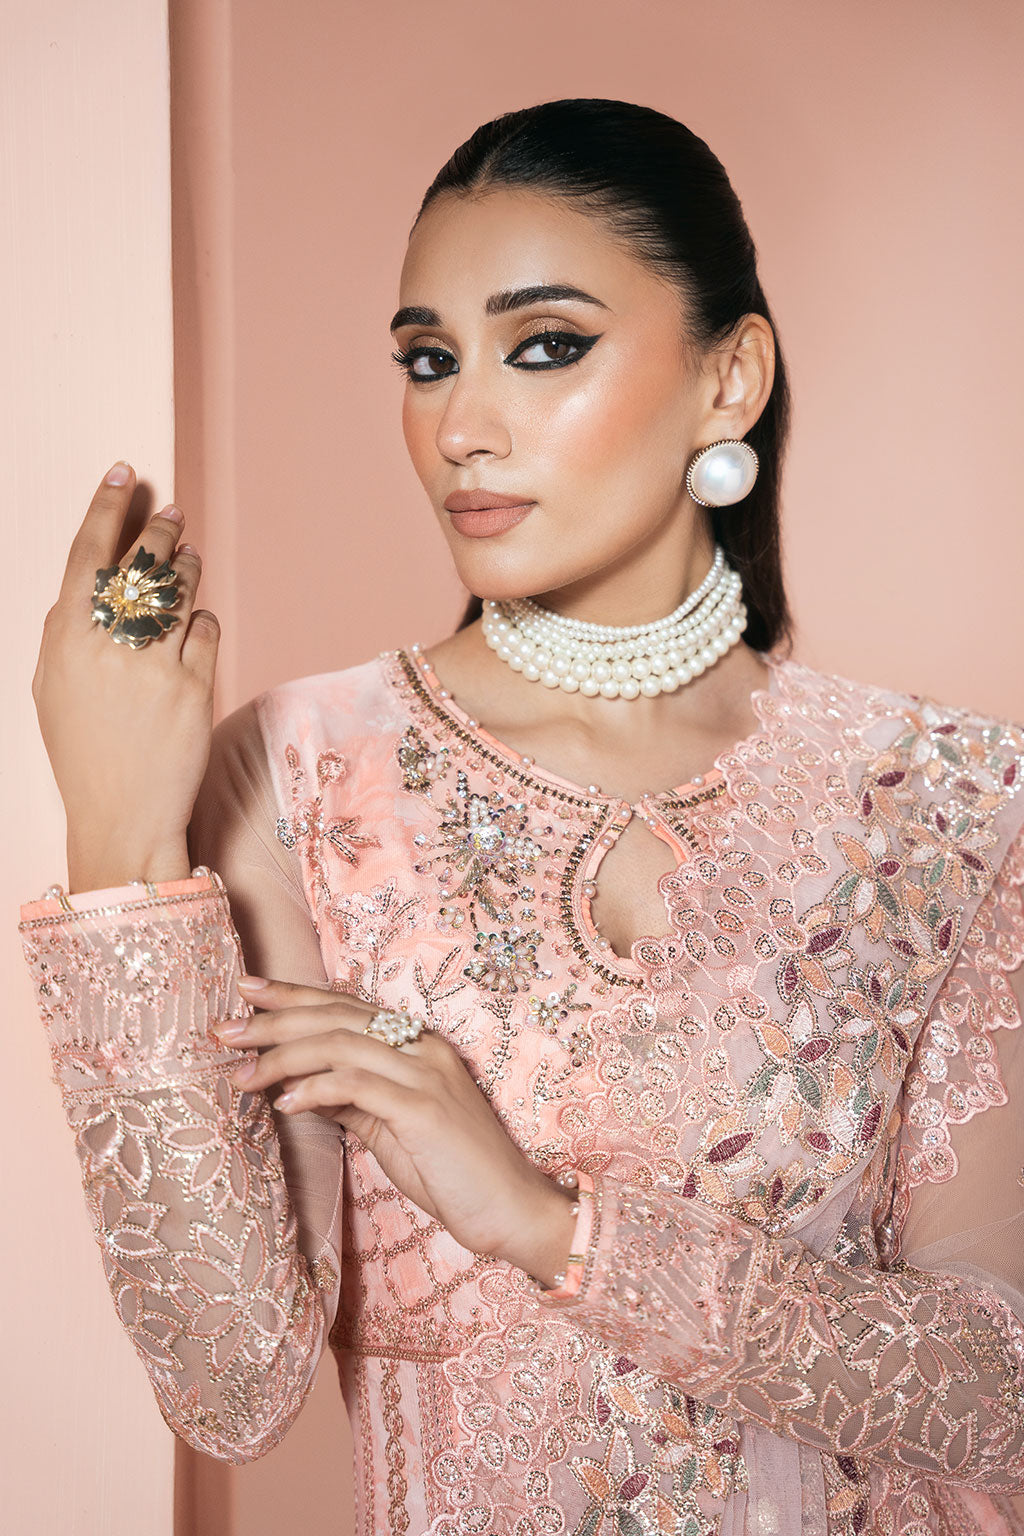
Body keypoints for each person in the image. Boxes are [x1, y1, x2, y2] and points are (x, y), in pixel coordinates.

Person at [18, 97, 1024, 1536]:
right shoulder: (304, 777)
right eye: (429, 361)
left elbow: (1000, 1396)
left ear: (730, 378)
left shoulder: (951, 799)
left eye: (545, 346)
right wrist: (119, 845)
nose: (460, 429)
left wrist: (549, 1226)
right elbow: (231, 1390)